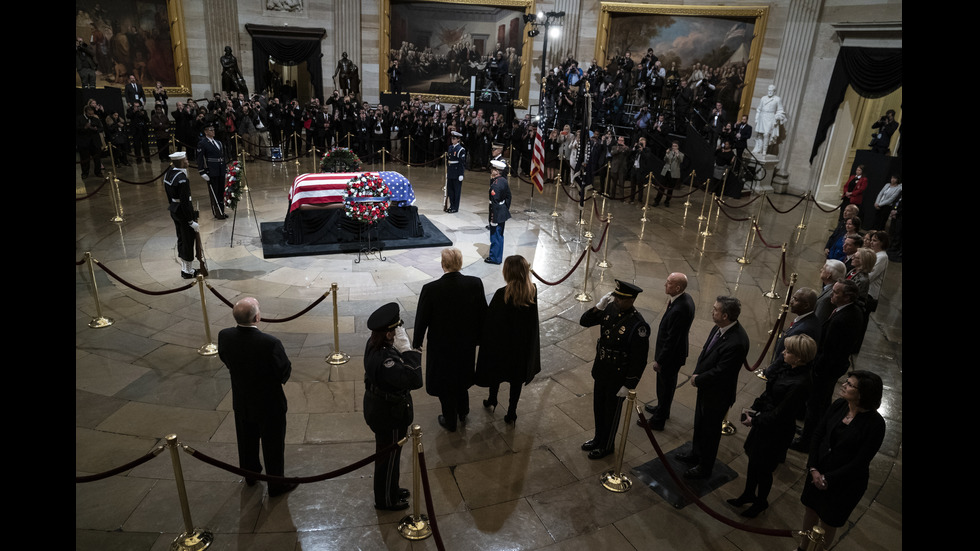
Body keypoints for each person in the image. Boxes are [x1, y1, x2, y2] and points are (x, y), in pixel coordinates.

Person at [730, 334, 817, 518]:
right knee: (754, 462)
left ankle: (761, 501)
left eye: (788, 351)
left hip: (776, 432)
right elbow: (769, 391)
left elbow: (781, 414)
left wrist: (755, 420)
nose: (783, 352)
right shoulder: (788, 367)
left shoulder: (801, 383)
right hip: (765, 423)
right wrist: (755, 408)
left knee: (764, 469)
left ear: (800, 357)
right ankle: (748, 493)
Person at [797, 371, 885, 550]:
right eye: (846, 381)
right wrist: (813, 468)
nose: (843, 385)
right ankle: (802, 547)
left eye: (850, 384)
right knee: (811, 510)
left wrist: (828, 478)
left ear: (863, 394)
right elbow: (818, 434)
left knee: (828, 522)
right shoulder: (839, 405)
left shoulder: (875, 424)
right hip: (817, 472)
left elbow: (860, 462)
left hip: (844, 484)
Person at [218, 297, 296, 497]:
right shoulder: (270, 343)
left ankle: (250, 474)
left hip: (242, 401)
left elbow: (225, 359)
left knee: (246, 440)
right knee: (273, 445)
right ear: (257, 318)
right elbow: (283, 372)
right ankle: (276, 484)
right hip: (270, 404)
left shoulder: (224, 336)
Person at [413, 247, 487, 432]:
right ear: (460, 263)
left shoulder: (431, 289)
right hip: (466, 343)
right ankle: (463, 411)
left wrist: (417, 344)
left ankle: (450, 419)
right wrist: (480, 338)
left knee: (445, 381)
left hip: (441, 346)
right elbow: (483, 314)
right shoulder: (475, 284)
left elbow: (422, 320)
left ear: (442, 264)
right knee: (462, 375)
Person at [678, 296, 750, 479]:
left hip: (718, 394)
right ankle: (695, 453)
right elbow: (706, 352)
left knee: (710, 433)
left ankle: (705, 467)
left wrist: (699, 378)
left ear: (725, 315)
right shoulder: (718, 328)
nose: (712, 311)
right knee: (700, 424)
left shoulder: (737, 342)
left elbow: (722, 372)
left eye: (715, 309)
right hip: (706, 388)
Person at [580, 280, 650, 460]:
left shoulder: (638, 325)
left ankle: (607, 445)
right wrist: (597, 307)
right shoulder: (610, 308)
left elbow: (639, 359)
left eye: (621, 298)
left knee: (611, 414)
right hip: (602, 369)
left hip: (618, 376)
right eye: (616, 296)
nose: (616, 299)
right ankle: (598, 439)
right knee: (599, 408)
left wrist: (629, 384)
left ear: (632, 300)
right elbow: (584, 322)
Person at [363, 302, 423, 511]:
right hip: (389, 414)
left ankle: (391, 488)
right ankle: (386, 500)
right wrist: (407, 350)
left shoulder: (374, 344)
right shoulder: (386, 359)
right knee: (388, 458)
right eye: (396, 329)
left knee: (390, 456)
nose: (400, 332)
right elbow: (415, 380)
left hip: (379, 407)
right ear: (388, 335)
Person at [792, 280, 863, 452]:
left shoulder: (843, 319)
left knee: (815, 405)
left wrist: (815, 369)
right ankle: (813, 431)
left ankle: (806, 441)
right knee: (822, 403)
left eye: (837, 292)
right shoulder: (851, 311)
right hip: (833, 367)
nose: (832, 294)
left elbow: (831, 351)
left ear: (847, 297)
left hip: (826, 370)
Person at [475, 255, 541, 424]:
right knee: (516, 381)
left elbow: (491, 324)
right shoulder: (532, 291)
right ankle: (512, 412)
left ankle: (492, 398)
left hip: (502, 347)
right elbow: (532, 324)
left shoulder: (501, 294)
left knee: (496, 374)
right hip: (521, 348)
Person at [642, 273, 695, 430]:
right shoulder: (684, 299)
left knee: (666, 388)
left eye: (669, 283)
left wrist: (660, 360)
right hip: (674, 354)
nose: (665, 284)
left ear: (678, 287)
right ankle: (662, 410)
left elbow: (672, 340)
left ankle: (658, 421)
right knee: (665, 387)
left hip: (671, 357)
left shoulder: (680, 308)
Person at [163, 152, 200, 279]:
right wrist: (191, 221)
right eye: (186, 159)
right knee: (188, 241)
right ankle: (188, 271)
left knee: (181, 239)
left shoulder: (169, 173)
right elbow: (185, 202)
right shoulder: (182, 179)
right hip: (183, 214)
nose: (188, 161)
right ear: (181, 162)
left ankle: (185, 267)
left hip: (174, 210)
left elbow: (170, 196)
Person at [197, 123, 229, 219]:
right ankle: (217, 213)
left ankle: (221, 211)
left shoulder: (218, 142)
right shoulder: (202, 143)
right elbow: (200, 158)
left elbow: (222, 157)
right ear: (206, 132)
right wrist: (202, 171)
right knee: (214, 192)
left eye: (213, 129)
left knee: (221, 191)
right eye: (210, 130)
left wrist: (225, 169)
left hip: (220, 170)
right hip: (212, 170)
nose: (213, 131)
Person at [486, 159, 512, 264]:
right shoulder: (503, 180)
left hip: (496, 213)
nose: (491, 170)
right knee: (500, 235)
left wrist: (494, 218)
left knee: (495, 236)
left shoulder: (495, 185)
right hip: (502, 211)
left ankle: (494, 258)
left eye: (493, 169)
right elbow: (509, 197)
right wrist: (505, 208)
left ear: (497, 171)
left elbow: (495, 203)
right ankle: (498, 257)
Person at [752, 84, 785, 155]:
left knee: (766, 134)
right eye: (769, 90)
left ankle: (764, 150)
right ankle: (759, 149)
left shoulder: (777, 99)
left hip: (770, 117)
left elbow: (780, 110)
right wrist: (756, 118)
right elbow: (759, 109)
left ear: (774, 91)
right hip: (762, 116)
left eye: (771, 90)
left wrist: (778, 116)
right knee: (760, 134)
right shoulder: (763, 98)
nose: (770, 92)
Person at [76, 105, 104, 179]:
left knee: (97, 158)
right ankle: (85, 173)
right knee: (85, 159)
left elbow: (101, 128)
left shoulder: (95, 119)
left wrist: (96, 129)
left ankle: (98, 172)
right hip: (84, 142)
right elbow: (77, 129)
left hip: (95, 141)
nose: (91, 115)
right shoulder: (79, 119)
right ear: (85, 112)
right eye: (89, 114)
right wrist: (84, 128)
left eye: (92, 113)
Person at [655, 141, 684, 207]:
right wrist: (667, 154)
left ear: (678, 147)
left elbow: (681, 160)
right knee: (661, 187)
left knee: (670, 189)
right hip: (666, 172)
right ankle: (657, 200)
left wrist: (677, 154)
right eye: (673, 146)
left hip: (673, 174)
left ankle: (667, 201)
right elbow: (665, 159)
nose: (674, 147)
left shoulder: (681, 154)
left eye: (675, 146)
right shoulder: (670, 152)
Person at [446, 131, 466, 213]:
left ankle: (455, 207)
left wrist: (461, 174)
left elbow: (461, 163)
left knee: (456, 191)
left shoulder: (461, 149)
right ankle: (451, 205)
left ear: (458, 139)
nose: (452, 140)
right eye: (452, 138)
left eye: (454, 138)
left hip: (457, 173)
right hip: (451, 172)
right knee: (450, 191)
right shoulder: (450, 148)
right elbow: (449, 160)